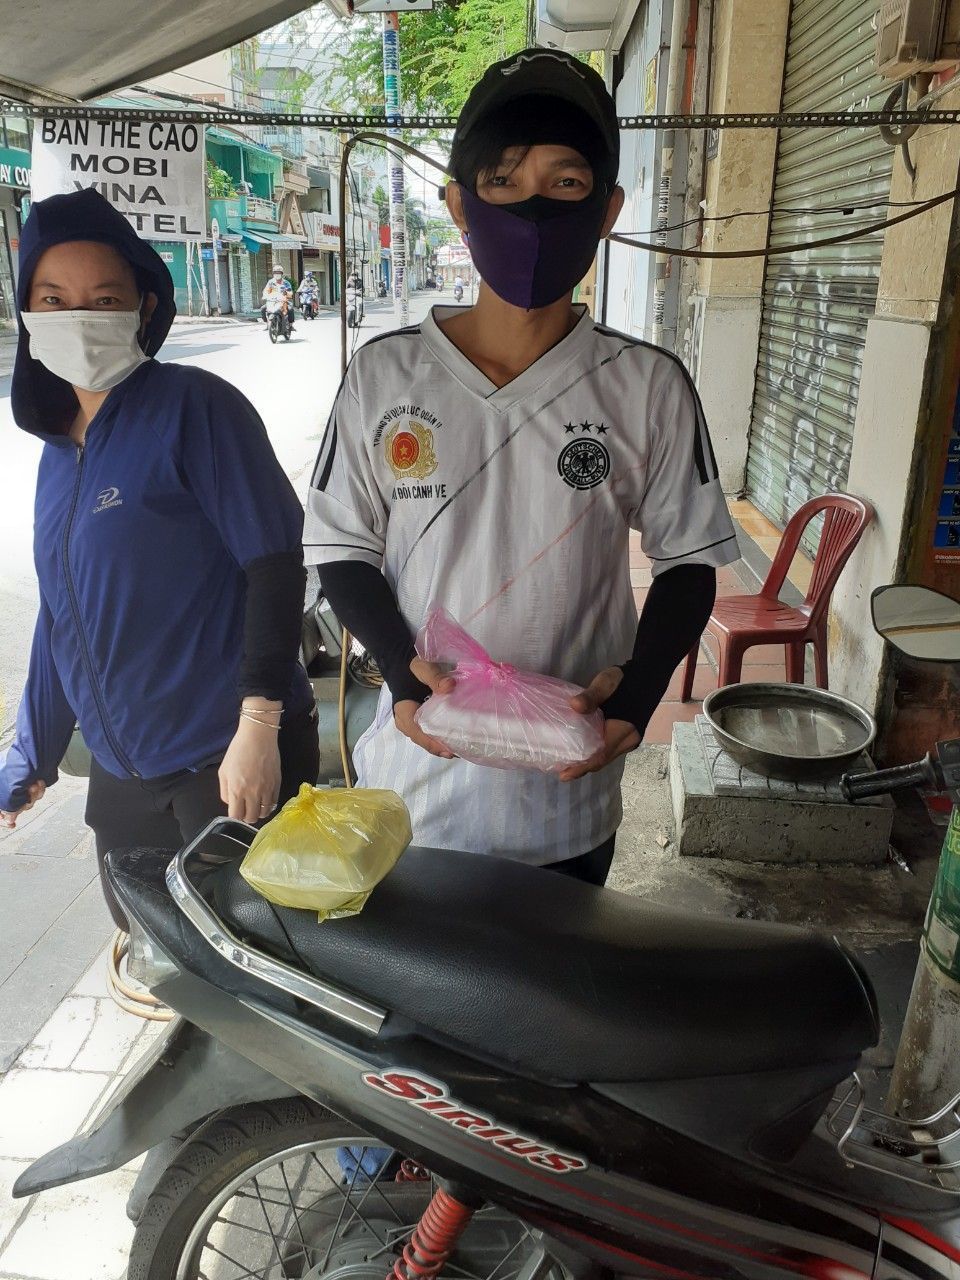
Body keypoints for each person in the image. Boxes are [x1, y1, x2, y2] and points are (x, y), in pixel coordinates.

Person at [304, 49, 739, 888]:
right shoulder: (383, 375)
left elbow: (689, 562)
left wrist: (636, 696)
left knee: (559, 975)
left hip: (565, 804)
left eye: (565, 182)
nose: (533, 208)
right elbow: (340, 547)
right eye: (502, 181)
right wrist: (401, 671)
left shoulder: (646, 385)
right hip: (410, 793)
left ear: (607, 209)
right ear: (458, 205)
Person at [0, 190, 319, 927]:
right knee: (152, 943)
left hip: (226, 755)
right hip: (124, 771)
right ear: (29, 312)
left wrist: (259, 725)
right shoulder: (58, 453)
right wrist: (32, 757)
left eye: (104, 297)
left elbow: (275, 563)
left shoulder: (194, 406)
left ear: (143, 307)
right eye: (54, 299)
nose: (79, 315)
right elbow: (63, 614)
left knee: (255, 955)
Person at [261, 264, 294, 329]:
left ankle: (290, 325)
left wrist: (288, 294)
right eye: (275, 273)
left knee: (290, 309)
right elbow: (266, 290)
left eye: (279, 273)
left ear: (282, 273)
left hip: (283, 301)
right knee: (263, 309)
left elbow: (290, 292)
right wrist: (265, 296)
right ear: (273, 273)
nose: (277, 274)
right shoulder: (271, 282)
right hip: (272, 301)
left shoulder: (286, 283)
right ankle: (267, 324)